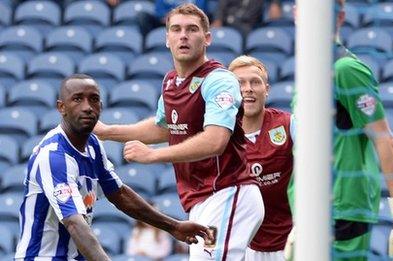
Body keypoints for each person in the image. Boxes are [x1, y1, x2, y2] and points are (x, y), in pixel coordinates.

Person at [93, 4, 265, 260]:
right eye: (176, 29)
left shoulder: (219, 79)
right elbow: (165, 127)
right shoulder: (171, 82)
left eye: (192, 29)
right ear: (167, 39)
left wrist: (153, 156)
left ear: (207, 38)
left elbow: (216, 140)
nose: (183, 35)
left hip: (228, 192)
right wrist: (108, 132)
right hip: (201, 200)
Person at [285, 1, 393, 260]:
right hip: (310, 208)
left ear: (340, 17)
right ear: (297, 13)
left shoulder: (346, 69)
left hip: (342, 209)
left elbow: (385, 140)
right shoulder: (308, 71)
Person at [14, 74, 212, 260]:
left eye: (93, 99)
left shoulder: (92, 144)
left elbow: (119, 194)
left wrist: (173, 226)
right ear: (61, 107)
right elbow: (74, 223)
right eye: (77, 99)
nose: (87, 107)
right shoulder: (53, 156)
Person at [228, 55, 294, 261]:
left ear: (267, 89)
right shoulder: (219, 136)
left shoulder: (289, 125)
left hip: (293, 242)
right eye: (240, 83)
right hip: (247, 247)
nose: (248, 88)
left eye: (255, 82)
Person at [212, 0, 282, 35]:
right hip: (228, 22)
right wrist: (218, 19)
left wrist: (275, 3)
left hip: (250, 25)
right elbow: (221, 6)